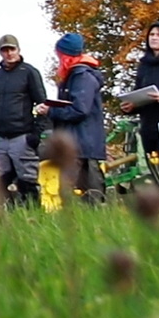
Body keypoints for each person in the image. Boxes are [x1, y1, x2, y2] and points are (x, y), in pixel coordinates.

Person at [38, 32, 105, 203]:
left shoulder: (82, 77)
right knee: (75, 199)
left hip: (82, 149)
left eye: (59, 55)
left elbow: (80, 110)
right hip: (79, 146)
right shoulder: (74, 77)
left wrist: (51, 111)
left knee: (86, 200)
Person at [0, 34, 48, 206]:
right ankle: (10, 219)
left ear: (18, 50)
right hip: (2, 139)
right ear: (0, 52)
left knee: (27, 180)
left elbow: (44, 105)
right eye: (5, 50)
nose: (9, 53)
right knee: (3, 181)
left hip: (22, 136)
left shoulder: (29, 72)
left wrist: (35, 134)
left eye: (12, 49)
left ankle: (34, 216)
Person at [122, 20, 159, 194]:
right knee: (153, 168)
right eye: (151, 35)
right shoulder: (144, 65)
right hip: (148, 124)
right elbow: (138, 91)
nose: (154, 38)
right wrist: (130, 105)